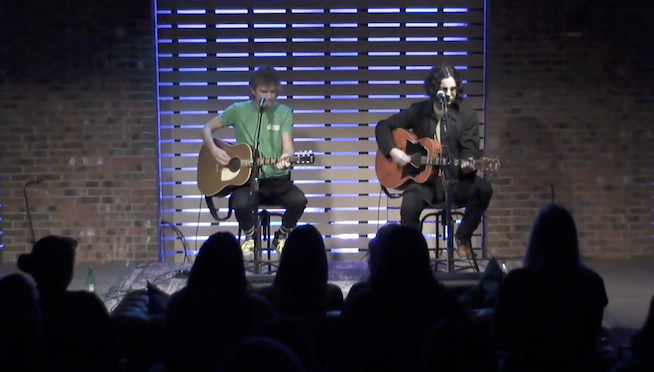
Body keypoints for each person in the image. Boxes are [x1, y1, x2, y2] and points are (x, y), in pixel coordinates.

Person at [374, 63, 493, 259]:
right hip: (424, 184)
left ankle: (462, 237)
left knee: (484, 189)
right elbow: (383, 126)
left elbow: (470, 153)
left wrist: (467, 164)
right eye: (444, 89)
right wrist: (394, 152)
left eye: (453, 89)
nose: (448, 94)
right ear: (434, 89)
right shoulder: (420, 111)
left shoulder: (466, 115)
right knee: (409, 205)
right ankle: (414, 257)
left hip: (454, 182)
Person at [202, 65, 308, 259]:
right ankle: (252, 238)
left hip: (278, 182)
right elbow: (207, 128)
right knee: (240, 203)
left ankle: (281, 236)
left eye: (273, 92)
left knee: (299, 200)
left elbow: (288, 146)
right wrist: (214, 150)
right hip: (248, 181)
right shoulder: (238, 110)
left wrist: (287, 157)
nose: (269, 96)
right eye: (264, 92)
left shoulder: (284, 112)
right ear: (253, 90)